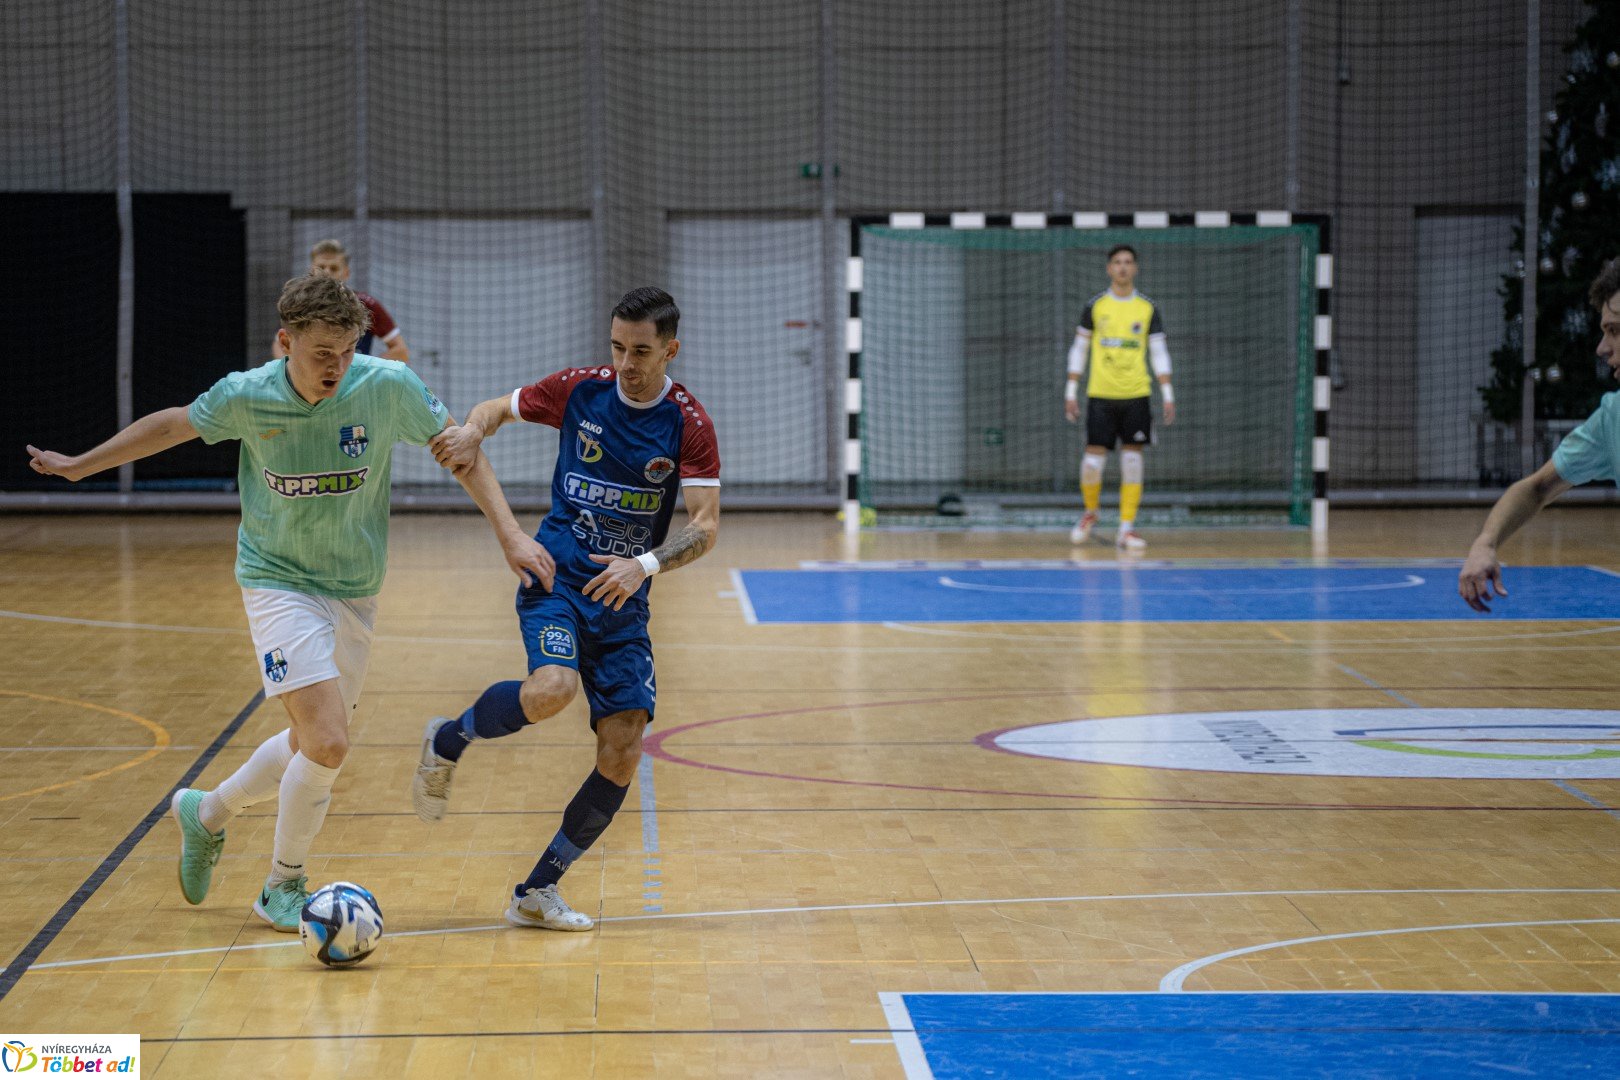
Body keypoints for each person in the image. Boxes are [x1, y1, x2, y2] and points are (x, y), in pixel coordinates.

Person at [26, 273, 552, 931]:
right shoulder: (247, 394)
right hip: (276, 580)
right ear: (286, 341)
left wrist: (509, 534)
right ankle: (282, 885)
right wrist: (81, 465)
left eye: (347, 351)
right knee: (328, 742)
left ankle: (207, 812)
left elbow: (462, 452)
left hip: (355, 588)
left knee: (312, 740)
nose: (336, 366)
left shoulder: (387, 385)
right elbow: (172, 425)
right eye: (322, 352)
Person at [411, 286, 720, 932]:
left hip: (624, 599)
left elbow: (705, 525)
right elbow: (496, 408)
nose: (626, 363)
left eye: (641, 351)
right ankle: (449, 738)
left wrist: (644, 566)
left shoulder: (688, 423)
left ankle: (537, 890)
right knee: (552, 688)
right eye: (617, 347)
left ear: (671, 350)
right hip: (556, 577)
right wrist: (473, 430)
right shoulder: (581, 390)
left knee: (622, 749)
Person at [1461, 257, 1620, 612]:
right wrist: (1485, 542)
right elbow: (1535, 489)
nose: (1602, 347)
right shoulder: (1612, 418)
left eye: (1615, 330)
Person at [1063, 244, 1176, 550]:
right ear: (1109, 268)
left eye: (1128, 262)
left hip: (1136, 395)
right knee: (1092, 462)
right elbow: (1079, 349)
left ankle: (1126, 528)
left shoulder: (1147, 307)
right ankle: (1090, 512)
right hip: (1101, 394)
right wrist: (1070, 390)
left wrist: (1167, 394)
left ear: (1135, 268)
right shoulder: (1096, 306)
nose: (1123, 267)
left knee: (1132, 461)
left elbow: (1159, 352)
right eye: (1117, 262)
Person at [273, 239, 411, 363]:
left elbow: (401, 351)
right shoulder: (299, 304)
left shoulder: (366, 305)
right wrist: (294, 373)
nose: (327, 272)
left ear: (346, 273)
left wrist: (363, 372)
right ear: (311, 271)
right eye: (321, 267)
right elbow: (279, 344)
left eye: (334, 268)